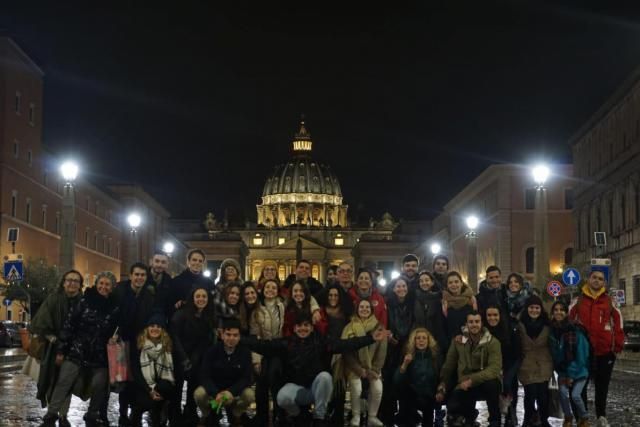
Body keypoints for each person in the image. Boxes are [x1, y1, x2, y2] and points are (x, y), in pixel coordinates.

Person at [246, 311, 391, 426]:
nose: (303, 328)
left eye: (306, 325)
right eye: (299, 326)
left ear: (311, 326)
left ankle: (319, 417)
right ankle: (298, 415)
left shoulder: (321, 341)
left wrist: (370, 338)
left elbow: (345, 344)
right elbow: (264, 345)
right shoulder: (287, 343)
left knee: (325, 377)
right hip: (297, 388)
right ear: (294, 328)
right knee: (281, 398)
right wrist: (239, 341)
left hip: (317, 389)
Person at [39, 272, 120, 427]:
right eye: (101, 283)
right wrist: (61, 350)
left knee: (99, 385)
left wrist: (115, 337)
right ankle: (51, 415)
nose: (103, 287)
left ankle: (92, 414)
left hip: (100, 355)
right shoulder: (85, 300)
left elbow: (117, 328)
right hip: (77, 351)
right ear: (96, 284)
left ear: (112, 287)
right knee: (64, 382)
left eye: (107, 284)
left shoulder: (115, 307)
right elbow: (69, 325)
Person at [569, 269, 624, 427]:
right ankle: (583, 416)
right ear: (588, 279)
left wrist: (617, 346)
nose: (597, 281)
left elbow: (618, 323)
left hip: (604, 352)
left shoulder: (609, 301)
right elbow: (569, 323)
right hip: (583, 353)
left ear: (604, 283)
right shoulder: (578, 301)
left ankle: (601, 415)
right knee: (582, 386)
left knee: (602, 386)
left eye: (600, 279)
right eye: (594, 277)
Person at [31, 270, 84, 427]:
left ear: (80, 285)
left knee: (67, 382)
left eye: (76, 281)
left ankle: (62, 414)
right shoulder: (53, 299)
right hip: (53, 348)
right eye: (69, 280)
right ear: (63, 282)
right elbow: (40, 322)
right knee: (51, 379)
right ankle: (53, 411)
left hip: (75, 350)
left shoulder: (83, 302)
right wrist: (53, 338)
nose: (72, 283)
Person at [436, 311, 502, 427]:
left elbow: (494, 369)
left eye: (477, 321)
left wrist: (471, 380)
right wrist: (442, 383)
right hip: (464, 382)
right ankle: (468, 418)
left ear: (481, 323)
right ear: (466, 324)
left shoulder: (493, 342)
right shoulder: (458, 341)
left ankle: (494, 421)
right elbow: (449, 365)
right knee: (453, 404)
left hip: (484, 381)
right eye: (471, 322)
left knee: (492, 385)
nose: (474, 325)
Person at [113, 262, 157, 426]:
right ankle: (122, 413)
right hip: (122, 342)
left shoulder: (149, 296)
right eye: (137, 274)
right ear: (131, 275)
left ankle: (135, 411)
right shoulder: (120, 292)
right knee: (123, 379)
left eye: (143, 275)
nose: (139, 278)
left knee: (136, 378)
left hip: (140, 343)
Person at [169, 286, 217, 425]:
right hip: (180, 355)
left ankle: (190, 410)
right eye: (198, 296)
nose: (201, 299)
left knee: (193, 386)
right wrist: (184, 358)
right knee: (177, 388)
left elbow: (205, 340)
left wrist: (196, 359)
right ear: (192, 298)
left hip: (197, 356)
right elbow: (175, 337)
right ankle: (175, 414)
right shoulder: (181, 313)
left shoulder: (208, 315)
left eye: (204, 296)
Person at [194, 318, 255, 427]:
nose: (231, 338)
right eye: (228, 334)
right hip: (215, 391)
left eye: (235, 335)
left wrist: (231, 391)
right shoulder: (211, 351)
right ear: (222, 335)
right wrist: (215, 392)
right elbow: (204, 376)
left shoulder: (245, 352)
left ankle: (236, 415)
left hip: (234, 392)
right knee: (199, 394)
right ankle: (206, 415)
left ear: (240, 337)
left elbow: (246, 378)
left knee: (250, 395)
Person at [341, 299, 387, 427]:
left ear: (372, 311)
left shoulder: (379, 327)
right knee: (356, 386)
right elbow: (346, 352)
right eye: (362, 307)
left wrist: (375, 370)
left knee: (378, 388)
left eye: (367, 307)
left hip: (373, 368)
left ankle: (372, 416)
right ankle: (356, 415)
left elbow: (382, 352)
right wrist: (360, 370)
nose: (364, 309)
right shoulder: (349, 327)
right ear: (357, 310)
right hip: (354, 367)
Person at [250, 279, 286, 426]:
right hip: (262, 348)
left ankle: (279, 414)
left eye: (273, 287)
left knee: (275, 378)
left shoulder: (282, 307)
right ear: (263, 289)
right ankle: (262, 416)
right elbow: (255, 335)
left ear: (277, 291)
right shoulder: (257, 309)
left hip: (277, 348)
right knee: (261, 382)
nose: (270, 290)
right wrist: (256, 359)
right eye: (267, 287)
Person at [549, 301, 590, 427]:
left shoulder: (575, 330)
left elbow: (581, 355)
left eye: (562, 310)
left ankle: (584, 418)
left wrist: (571, 374)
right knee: (562, 394)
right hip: (562, 371)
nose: (558, 312)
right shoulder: (551, 330)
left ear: (566, 313)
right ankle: (568, 417)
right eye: (556, 309)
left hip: (578, 371)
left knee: (576, 396)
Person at [379, 276, 414, 425]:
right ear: (393, 289)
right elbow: (385, 323)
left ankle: (406, 413)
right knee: (390, 380)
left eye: (404, 286)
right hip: (391, 347)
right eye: (398, 286)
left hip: (407, 345)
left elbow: (414, 322)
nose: (401, 289)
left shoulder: (412, 304)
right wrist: (389, 336)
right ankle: (388, 413)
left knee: (406, 379)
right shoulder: (388, 304)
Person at [130, 313, 175, 427]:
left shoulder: (167, 346)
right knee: (141, 402)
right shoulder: (139, 345)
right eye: (152, 325)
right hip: (143, 386)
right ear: (147, 328)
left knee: (164, 388)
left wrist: (156, 389)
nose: (155, 328)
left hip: (160, 387)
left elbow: (169, 373)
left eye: (158, 326)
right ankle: (137, 417)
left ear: (162, 330)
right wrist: (149, 390)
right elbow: (136, 372)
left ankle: (157, 414)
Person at [317, 283, 352, 425]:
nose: (333, 297)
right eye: (330, 295)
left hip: (340, 352)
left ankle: (338, 413)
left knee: (339, 384)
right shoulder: (321, 312)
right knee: (326, 383)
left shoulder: (345, 312)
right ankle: (325, 410)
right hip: (324, 351)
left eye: (336, 295)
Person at [393, 328, 440, 427]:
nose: (421, 340)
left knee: (428, 418)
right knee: (406, 397)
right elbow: (397, 380)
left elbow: (441, 376)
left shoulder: (435, 357)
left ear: (428, 341)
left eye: (424, 338)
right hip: (412, 395)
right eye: (418, 338)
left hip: (429, 395)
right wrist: (405, 364)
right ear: (414, 341)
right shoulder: (408, 355)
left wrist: (440, 389)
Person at [518, 295, 553, 427]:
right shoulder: (520, 324)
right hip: (526, 364)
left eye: (537, 307)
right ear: (527, 308)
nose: (534, 310)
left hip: (544, 364)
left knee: (543, 396)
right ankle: (528, 419)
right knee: (530, 394)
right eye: (531, 307)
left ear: (541, 309)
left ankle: (544, 419)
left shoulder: (547, 324)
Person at [483, 304, 520, 426]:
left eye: (495, 315)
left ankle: (511, 415)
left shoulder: (509, 330)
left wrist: (506, 370)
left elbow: (517, 352)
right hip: (491, 368)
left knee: (509, 385)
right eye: (489, 315)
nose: (492, 318)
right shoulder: (483, 331)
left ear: (500, 316)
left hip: (510, 364)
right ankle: (494, 418)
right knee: (492, 389)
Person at [442, 271, 477, 342]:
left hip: (469, 342)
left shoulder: (471, 300)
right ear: (447, 285)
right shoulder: (444, 302)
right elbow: (443, 326)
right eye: (450, 283)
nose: (453, 284)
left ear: (461, 283)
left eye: (456, 281)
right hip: (451, 341)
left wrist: (465, 338)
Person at [148, 250, 174, 318]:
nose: (160, 265)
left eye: (163, 262)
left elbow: (169, 304)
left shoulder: (170, 281)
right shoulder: (142, 277)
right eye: (157, 261)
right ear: (151, 262)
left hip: (160, 320)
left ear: (167, 264)